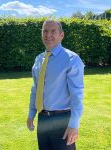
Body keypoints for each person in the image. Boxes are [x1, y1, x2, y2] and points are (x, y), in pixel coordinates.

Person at [27, 19, 84, 150]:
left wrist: (74, 124)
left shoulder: (72, 59)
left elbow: (77, 94)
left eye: (53, 31)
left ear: (61, 35)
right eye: (45, 31)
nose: (48, 35)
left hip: (62, 121)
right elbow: (36, 89)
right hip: (43, 119)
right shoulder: (39, 59)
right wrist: (31, 114)